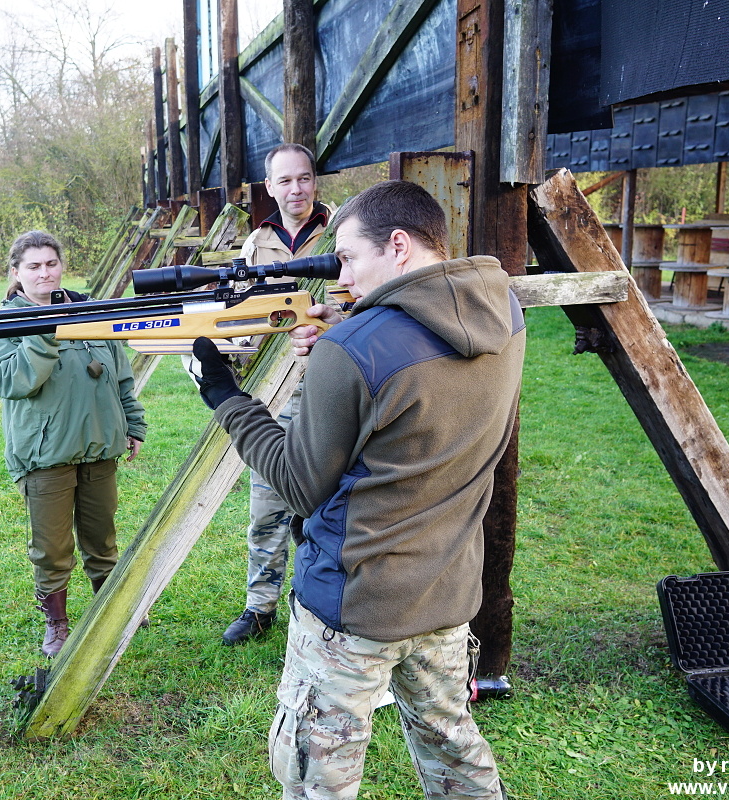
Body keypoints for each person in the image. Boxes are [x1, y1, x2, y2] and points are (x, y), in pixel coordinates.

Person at [190, 180, 523, 798]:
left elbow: (297, 484)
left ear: (397, 245)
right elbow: (419, 370)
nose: (340, 278)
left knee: (318, 773)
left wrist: (224, 394)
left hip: (355, 603)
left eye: (346, 258)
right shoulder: (503, 312)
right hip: (447, 589)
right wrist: (352, 334)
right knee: (452, 746)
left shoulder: (353, 349)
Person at [0, 230, 147, 658]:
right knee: (52, 548)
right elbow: (10, 381)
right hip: (45, 455)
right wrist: (44, 333)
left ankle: (110, 607)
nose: (45, 273)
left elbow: (120, 375)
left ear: (62, 266)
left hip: (99, 446)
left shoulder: (90, 311)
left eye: (51, 263)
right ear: (16, 273)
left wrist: (132, 423)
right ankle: (56, 623)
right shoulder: (3, 322)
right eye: (33, 266)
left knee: (102, 537)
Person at [221, 142, 332, 646]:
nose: (296, 189)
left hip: (333, 390)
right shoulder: (256, 245)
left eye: (303, 178)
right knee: (267, 504)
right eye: (284, 181)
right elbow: (242, 317)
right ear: (269, 187)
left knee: (327, 507)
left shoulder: (341, 232)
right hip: (277, 394)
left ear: (315, 180)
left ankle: (317, 600)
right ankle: (260, 606)